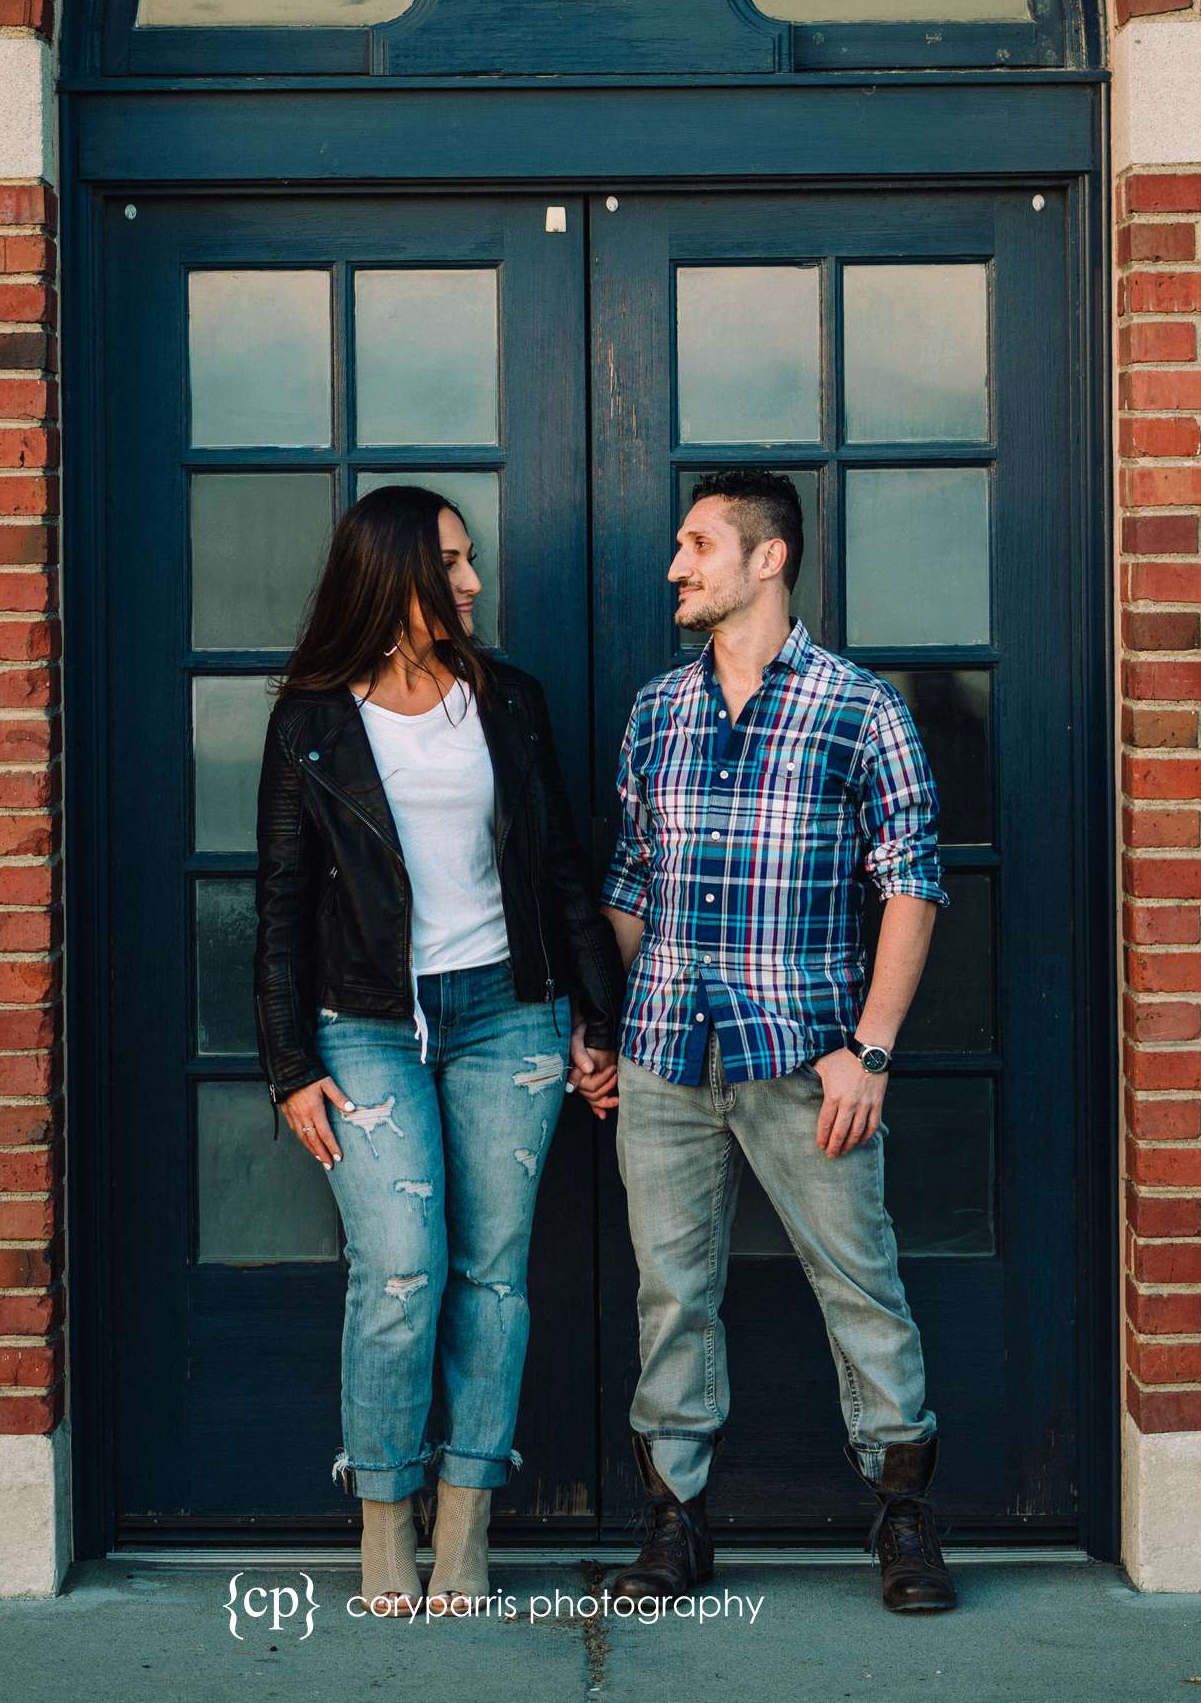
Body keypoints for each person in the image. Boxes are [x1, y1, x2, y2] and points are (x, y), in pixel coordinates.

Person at [582, 467, 958, 1615]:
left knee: (860, 1285)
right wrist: (611, 1019)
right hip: (661, 1059)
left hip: (806, 1062)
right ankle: (674, 1523)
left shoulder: (859, 708)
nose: (673, 567)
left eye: (696, 545)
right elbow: (630, 880)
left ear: (767, 558)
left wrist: (872, 1048)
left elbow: (911, 882)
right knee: (670, 1294)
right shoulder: (658, 710)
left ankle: (900, 1520)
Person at [254, 485, 624, 1618]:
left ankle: (465, 1515)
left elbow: (560, 867)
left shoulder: (505, 701)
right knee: (402, 1267)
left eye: (469, 563)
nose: (470, 583)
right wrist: (286, 1065)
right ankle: (382, 1513)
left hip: (508, 1012)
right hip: (365, 1023)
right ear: (391, 575)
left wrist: (593, 1020)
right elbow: (276, 899)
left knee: (491, 1274)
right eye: (451, 564)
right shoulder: (312, 716)